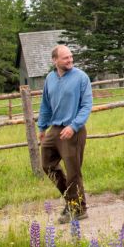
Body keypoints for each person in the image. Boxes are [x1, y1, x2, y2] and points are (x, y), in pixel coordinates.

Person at [37, 44, 93, 224]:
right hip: (54, 129)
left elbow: (86, 106)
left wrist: (74, 126)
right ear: (55, 61)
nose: (70, 60)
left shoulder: (81, 78)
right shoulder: (50, 79)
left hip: (73, 130)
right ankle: (72, 200)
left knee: (73, 171)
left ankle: (78, 208)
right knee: (47, 165)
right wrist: (42, 127)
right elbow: (45, 105)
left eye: (71, 57)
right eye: (65, 58)